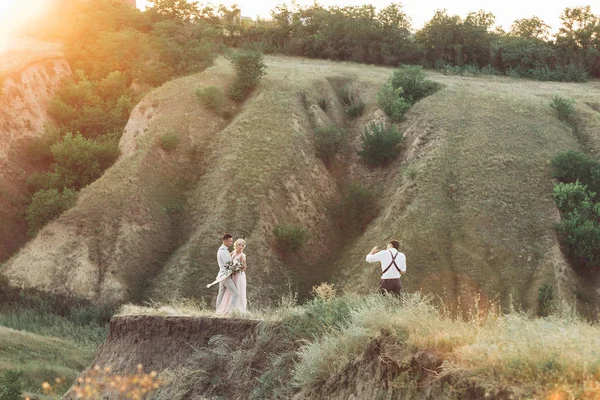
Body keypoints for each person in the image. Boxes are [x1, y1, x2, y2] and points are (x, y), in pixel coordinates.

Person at [217, 238, 248, 313]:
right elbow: (227, 260)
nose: (240, 246)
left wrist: (237, 268)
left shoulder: (242, 255)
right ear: (236, 245)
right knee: (230, 292)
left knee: (237, 291)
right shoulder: (233, 252)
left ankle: (234, 310)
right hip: (232, 275)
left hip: (239, 276)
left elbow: (244, 267)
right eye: (239, 244)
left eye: (242, 245)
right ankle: (225, 308)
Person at [215, 233, 239, 313]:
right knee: (235, 294)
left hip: (222, 275)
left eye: (232, 241)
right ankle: (230, 311)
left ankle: (218, 311)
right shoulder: (223, 251)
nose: (231, 243)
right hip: (225, 275)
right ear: (224, 240)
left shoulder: (223, 250)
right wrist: (237, 267)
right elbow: (228, 265)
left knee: (221, 293)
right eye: (230, 241)